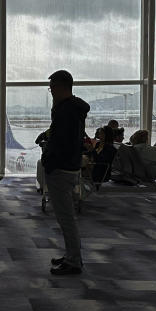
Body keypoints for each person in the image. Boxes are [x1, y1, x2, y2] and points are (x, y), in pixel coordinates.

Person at [43, 69, 90, 275]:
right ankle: (72, 255)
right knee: (66, 217)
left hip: (60, 170)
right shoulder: (74, 110)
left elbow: (63, 142)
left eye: (52, 87)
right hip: (69, 167)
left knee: (66, 218)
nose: (50, 91)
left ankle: (73, 261)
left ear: (61, 87)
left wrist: (49, 157)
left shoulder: (65, 112)